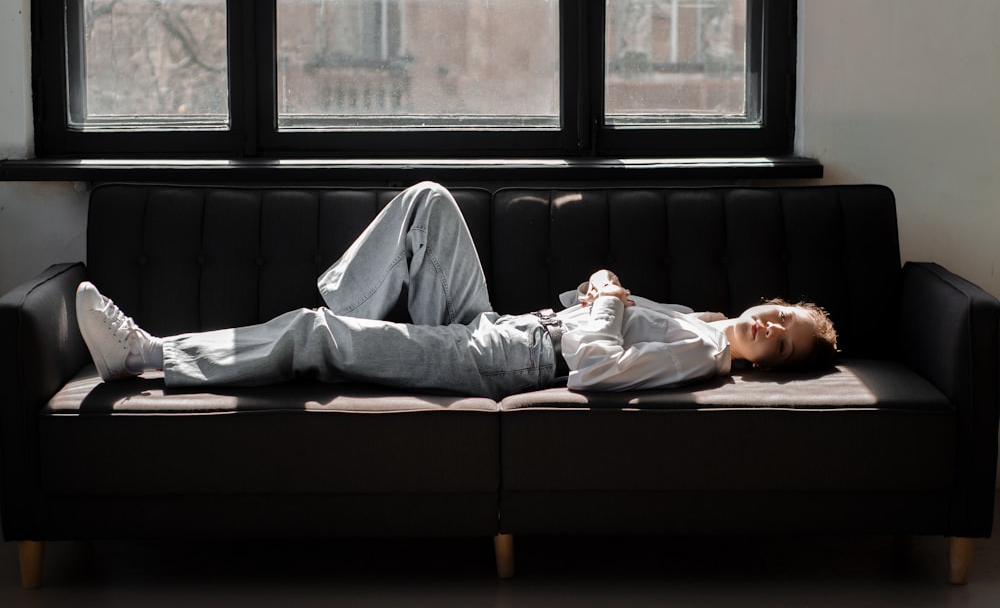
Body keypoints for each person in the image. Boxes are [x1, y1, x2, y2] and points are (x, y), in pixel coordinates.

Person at [75, 181, 838, 400]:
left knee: (314, 334)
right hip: (501, 327)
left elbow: (596, 368)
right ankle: (346, 322)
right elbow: (583, 316)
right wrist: (594, 292)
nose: (773, 325)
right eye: (782, 313)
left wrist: (605, 298)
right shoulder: (699, 317)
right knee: (430, 201)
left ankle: (145, 354)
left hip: (501, 364)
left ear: (768, 365)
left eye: (784, 340)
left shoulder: (699, 355)